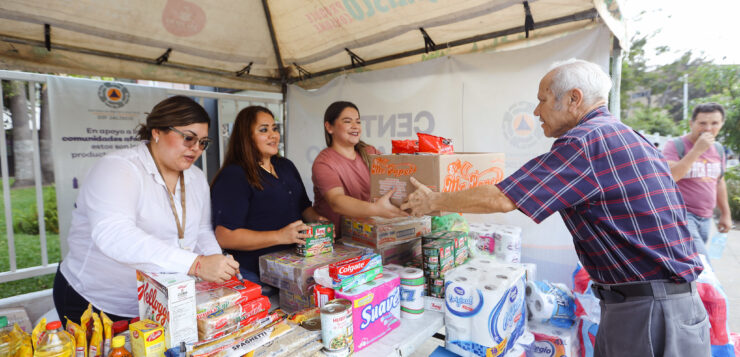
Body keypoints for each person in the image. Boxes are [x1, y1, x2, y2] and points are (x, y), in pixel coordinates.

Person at [401, 59, 709, 356]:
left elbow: (503, 198)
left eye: (543, 100)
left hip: (649, 314)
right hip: (664, 305)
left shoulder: (585, 141)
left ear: (574, 99)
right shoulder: (630, 137)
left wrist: (433, 201)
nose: (536, 111)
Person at [54, 96, 239, 323]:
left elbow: (200, 230)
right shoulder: (118, 168)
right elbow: (114, 234)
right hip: (97, 300)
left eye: (203, 142)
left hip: (160, 299)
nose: (196, 149)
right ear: (156, 132)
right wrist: (196, 264)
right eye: (188, 138)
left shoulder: (196, 177)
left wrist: (216, 262)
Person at [211, 106, 325, 290]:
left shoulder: (285, 166)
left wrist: (319, 222)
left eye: (274, 128)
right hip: (256, 277)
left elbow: (303, 207)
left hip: (296, 268)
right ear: (246, 137)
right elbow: (225, 236)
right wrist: (280, 236)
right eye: (264, 130)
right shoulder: (234, 175)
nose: (273, 135)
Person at [312, 101, 406, 235]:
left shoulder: (370, 152)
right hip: (337, 240)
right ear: (329, 127)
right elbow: (336, 201)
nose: (355, 126)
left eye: (358, 122)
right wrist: (375, 209)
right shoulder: (324, 162)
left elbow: (396, 177)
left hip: (367, 234)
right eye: (347, 121)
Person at [662, 103, 731, 258]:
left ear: (721, 124)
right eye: (702, 123)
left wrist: (725, 214)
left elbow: (719, 182)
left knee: (694, 266)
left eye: (714, 123)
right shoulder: (675, 146)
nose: (708, 128)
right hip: (682, 215)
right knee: (703, 264)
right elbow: (672, 176)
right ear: (691, 123)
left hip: (706, 218)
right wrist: (697, 150)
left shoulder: (719, 149)